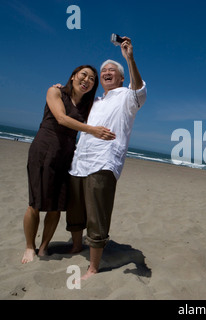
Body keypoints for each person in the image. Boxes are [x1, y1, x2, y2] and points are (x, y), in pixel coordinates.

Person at [66, 36, 146, 280]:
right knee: (76, 211)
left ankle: (93, 267)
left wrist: (129, 58)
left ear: (121, 78)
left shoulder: (127, 96)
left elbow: (139, 88)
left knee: (97, 214)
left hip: (104, 162)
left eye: (112, 71)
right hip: (80, 161)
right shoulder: (96, 101)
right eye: (103, 71)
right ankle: (77, 246)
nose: (106, 73)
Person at [22, 65, 116, 264]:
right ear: (73, 76)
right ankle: (30, 246)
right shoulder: (55, 91)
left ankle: (44, 247)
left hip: (67, 156)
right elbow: (61, 118)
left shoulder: (87, 106)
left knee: (56, 206)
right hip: (44, 150)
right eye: (84, 75)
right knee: (35, 204)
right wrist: (92, 130)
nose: (87, 80)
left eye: (92, 78)